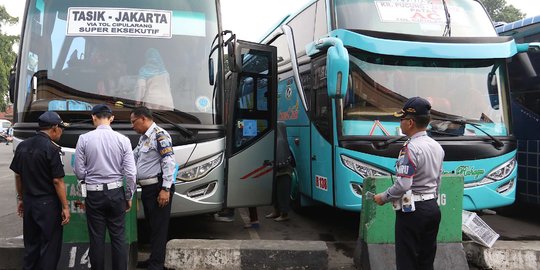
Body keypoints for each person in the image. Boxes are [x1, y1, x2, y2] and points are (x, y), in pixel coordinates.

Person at [373, 97, 445, 270]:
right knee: (426, 260)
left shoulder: (411, 148)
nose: (400, 122)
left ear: (411, 122)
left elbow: (404, 184)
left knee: (407, 260)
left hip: (413, 212)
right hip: (432, 208)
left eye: (402, 119)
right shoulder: (436, 146)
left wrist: (384, 197)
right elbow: (438, 179)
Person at [74, 104, 136, 270]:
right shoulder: (124, 140)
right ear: (112, 118)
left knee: (96, 239)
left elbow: (79, 172)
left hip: (94, 195)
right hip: (116, 193)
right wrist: (128, 196)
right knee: (118, 238)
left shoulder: (84, 139)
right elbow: (130, 174)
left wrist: (92, 178)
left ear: (93, 117)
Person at [10, 111, 70, 269]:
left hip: (29, 203)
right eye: (61, 129)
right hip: (47, 205)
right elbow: (57, 181)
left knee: (31, 246)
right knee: (49, 247)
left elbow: (18, 176)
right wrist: (65, 206)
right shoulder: (52, 149)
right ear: (54, 128)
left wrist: (21, 199)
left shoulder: (23, 146)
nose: (61, 132)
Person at [131, 106, 176, 270]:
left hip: (158, 188)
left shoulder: (159, 135)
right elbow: (133, 156)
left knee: (159, 228)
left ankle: (157, 264)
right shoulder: (144, 138)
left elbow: (169, 162)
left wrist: (166, 189)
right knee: (152, 226)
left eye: (133, 122)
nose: (132, 126)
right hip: (148, 189)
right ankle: (154, 259)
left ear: (143, 118)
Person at [265, 122, 294, 222]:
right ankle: (276, 211)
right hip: (278, 172)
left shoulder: (280, 141)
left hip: (283, 172)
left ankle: (284, 214)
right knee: (276, 193)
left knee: (283, 194)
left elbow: (282, 161)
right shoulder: (279, 140)